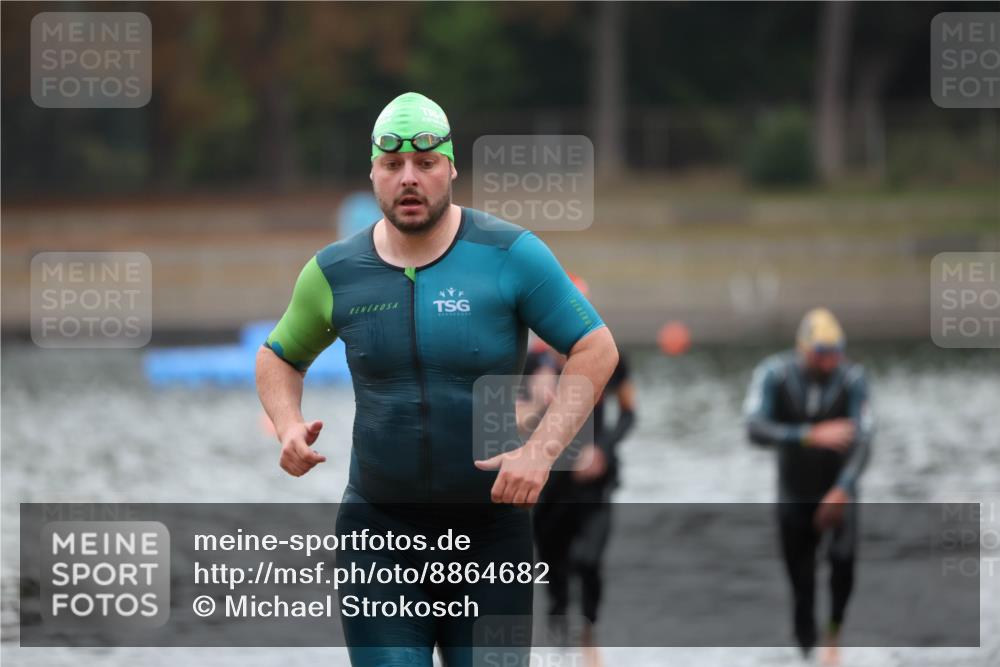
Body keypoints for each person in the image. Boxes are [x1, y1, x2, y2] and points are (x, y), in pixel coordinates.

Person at [255, 92, 619, 667]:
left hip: (491, 535)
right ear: (372, 174)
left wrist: (543, 450)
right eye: (392, 164)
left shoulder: (510, 254)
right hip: (379, 535)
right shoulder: (334, 272)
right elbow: (278, 357)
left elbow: (595, 347)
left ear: (450, 168)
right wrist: (287, 425)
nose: (409, 178)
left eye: (425, 163)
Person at [743, 307, 874, 665]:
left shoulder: (852, 379)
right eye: (821, 353)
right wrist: (808, 435)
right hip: (795, 495)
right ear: (803, 349)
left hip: (838, 491)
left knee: (843, 564)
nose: (830, 361)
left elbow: (864, 441)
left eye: (836, 352)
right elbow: (754, 427)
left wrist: (843, 488)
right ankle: (806, 655)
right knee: (802, 589)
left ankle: (833, 634)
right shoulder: (775, 374)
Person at [518, 274, 636, 660]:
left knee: (588, 560)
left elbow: (629, 413)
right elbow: (505, 423)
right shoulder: (530, 364)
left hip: (594, 481)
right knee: (553, 568)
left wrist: (602, 450)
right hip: (549, 482)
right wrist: (537, 401)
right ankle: (559, 646)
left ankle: (589, 634)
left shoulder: (609, 356)